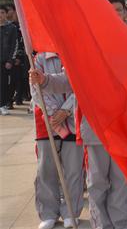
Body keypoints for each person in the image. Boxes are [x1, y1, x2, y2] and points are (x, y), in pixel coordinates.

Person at [30, 0, 127, 229]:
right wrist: (45, 79)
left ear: (125, 13)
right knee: (97, 181)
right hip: (94, 124)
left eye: (118, 10)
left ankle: (121, 224)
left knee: (121, 180)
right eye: (106, 9)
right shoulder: (86, 46)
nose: (112, 14)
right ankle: (101, 225)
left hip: (122, 124)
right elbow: (70, 80)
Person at [32, 50, 84, 229]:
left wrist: (66, 110)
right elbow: (36, 90)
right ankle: (48, 212)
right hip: (46, 120)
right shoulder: (39, 58)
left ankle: (71, 211)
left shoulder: (77, 54)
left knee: (73, 169)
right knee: (46, 168)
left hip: (74, 117)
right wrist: (54, 112)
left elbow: (82, 85)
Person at [0, 4, 23, 115]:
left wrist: (10, 60)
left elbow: (15, 45)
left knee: (4, 84)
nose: (0, 15)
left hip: (5, 61)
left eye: (2, 12)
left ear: (6, 14)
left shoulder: (11, 28)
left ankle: (3, 104)